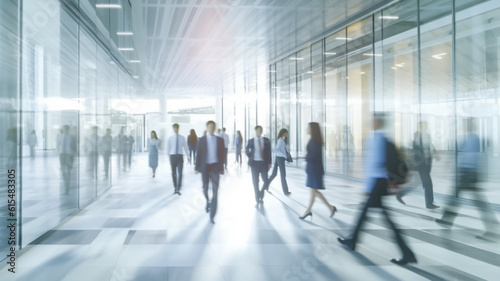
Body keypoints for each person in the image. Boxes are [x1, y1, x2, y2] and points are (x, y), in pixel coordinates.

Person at [338, 114, 417, 265]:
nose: (370, 123)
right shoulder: (380, 138)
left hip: (377, 183)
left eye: (373, 121)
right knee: (371, 214)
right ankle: (353, 240)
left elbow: (373, 164)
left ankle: (407, 253)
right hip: (379, 183)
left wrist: (368, 187)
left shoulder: (376, 139)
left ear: (377, 123)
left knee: (377, 216)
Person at [436, 118, 499, 239]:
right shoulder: (469, 138)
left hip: (468, 173)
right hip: (467, 173)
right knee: (458, 197)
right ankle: (447, 219)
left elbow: (471, 157)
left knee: (470, 200)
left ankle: (492, 228)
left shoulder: (474, 139)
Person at [397, 121, 440, 209]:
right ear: (419, 127)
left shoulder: (427, 136)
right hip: (421, 164)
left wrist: (435, 155)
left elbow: (431, 146)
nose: (422, 127)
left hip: (426, 163)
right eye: (421, 126)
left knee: (416, 183)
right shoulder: (416, 136)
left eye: (424, 126)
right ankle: (429, 203)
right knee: (428, 183)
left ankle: (400, 193)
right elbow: (412, 148)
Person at [300, 123, 337, 220]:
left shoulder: (314, 141)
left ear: (312, 129)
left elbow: (313, 156)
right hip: (314, 169)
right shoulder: (315, 140)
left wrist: (306, 157)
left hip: (314, 170)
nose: (306, 129)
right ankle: (309, 211)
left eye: (308, 127)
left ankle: (330, 207)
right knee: (313, 192)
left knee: (314, 192)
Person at [195, 120, 226, 224]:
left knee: (216, 192)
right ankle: (207, 201)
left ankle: (212, 215)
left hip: (215, 168)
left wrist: (222, 168)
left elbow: (222, 155)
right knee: (205, 188)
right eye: (209, 127)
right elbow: (198, 154)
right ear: (207, 128)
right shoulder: (202, 140)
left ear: (215, 128)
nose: (211, 129)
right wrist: (197, 167)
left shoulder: (220, 140)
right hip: (205, 167)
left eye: (213, 127)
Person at [246, 125, 272, 207]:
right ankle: (257, 199)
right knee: (255, 182)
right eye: (258, 130)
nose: (259, 132)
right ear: (255, 131)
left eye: (261, 130)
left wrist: (269, 163)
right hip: (254, 164)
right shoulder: (251, 141)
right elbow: (247, 150)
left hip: (263, 163)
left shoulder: (266, 141)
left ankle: (261, 193)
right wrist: (250, 157)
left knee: (266, 180)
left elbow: (269, 152)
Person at [264, 128, 291, 195]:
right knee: (283, 175)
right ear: (283, 133)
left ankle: (266, 185)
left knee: (274, 174)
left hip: (278, 158)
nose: (287, 134)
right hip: (280, 159)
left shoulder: (280, 140)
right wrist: (284, 156)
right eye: (286, 133)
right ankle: (285, 191)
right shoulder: (281, 141)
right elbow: (276, 150)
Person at [168, 123, 189, 195]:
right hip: (173, 156)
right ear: (173, 129)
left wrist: (188, 156)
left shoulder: (182, 138)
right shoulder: (170, 138)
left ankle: (179, 187)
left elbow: (185, 147)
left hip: (180, 156)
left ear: (178, 128)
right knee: (173, 173)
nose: (176, 129)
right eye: (174, 128)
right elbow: (168, 149)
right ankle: (175, 187)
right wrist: (169, 158)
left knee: (180, 173)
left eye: (177, 128)